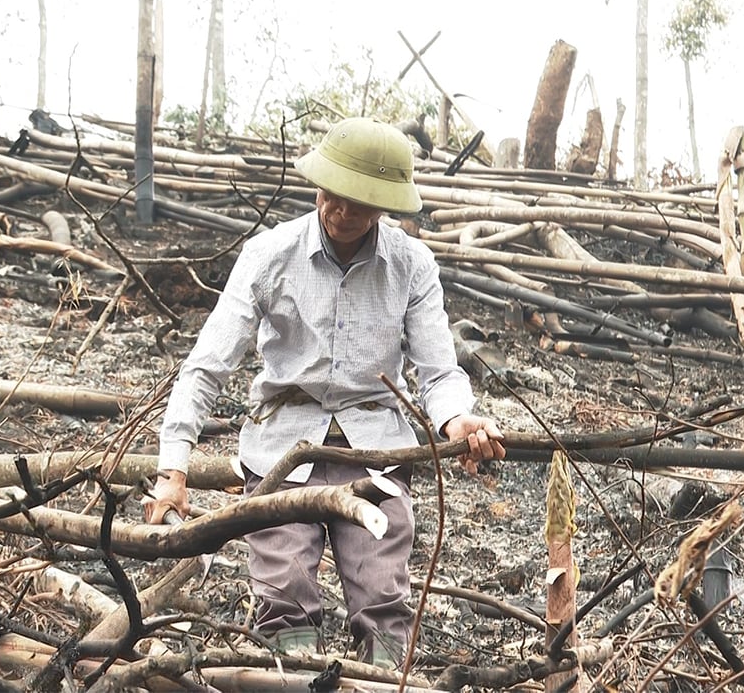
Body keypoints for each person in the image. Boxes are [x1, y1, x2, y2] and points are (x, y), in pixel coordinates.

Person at [145, 117, 506, 668]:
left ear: (383, 206)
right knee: (285, 593)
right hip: (282, 448)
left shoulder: (411, 265)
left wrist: (458, 420)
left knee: (383, 595)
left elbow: (438, 372)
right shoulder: (270, 254)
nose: (340, 211)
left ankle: (383, 678)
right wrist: (173, 469)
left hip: (376, 451)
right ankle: (290, 676)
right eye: (331, 195)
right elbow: (206, 367)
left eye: (358, 204)